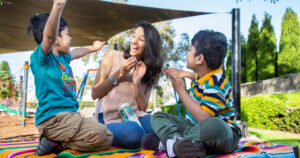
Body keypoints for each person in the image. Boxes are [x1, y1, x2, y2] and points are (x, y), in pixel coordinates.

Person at [27, 0, 113, 156]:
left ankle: (57, 144)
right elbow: (49, 36)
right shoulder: (42, 59)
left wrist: (93, 49)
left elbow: (77, 53)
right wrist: (57, 6)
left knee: (108, 138)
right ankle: (54, 139)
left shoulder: (63, 58)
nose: (71, 38)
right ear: (56, 39)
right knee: (99, 132)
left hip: (69, 117)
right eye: (67, 34)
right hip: (53, 119)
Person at [142, 30, 242, 157]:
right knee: (157, 116)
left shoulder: (216, 82)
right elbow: (198, 78)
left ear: (199, 58)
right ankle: (178, 145)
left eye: (190, 50)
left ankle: (169, 142)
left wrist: (180, 90)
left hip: (223, 135)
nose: (187, 53)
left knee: (213, 126)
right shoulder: (204, 77)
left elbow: (203, 117)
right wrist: (184, 74)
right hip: (194, 129)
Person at [91, 21, 163, 149]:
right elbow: (95, 93)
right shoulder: (113, 56)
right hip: (109, 118)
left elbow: (143, 107)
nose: (134, 41)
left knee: (161, 124)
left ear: (149, 45)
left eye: (141, 39)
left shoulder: (148, 70)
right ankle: (102, 133)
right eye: (134, 36)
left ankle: (160, 140)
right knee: (134, 133)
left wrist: (136, 83)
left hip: (135, 116)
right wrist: (120, 73)